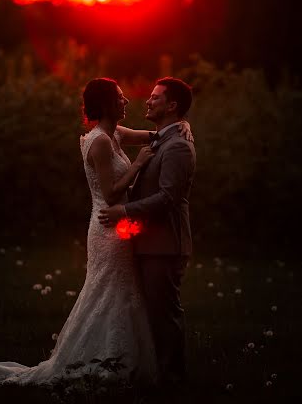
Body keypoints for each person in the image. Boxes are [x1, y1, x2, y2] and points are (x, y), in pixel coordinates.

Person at [0, 77, 192, 389]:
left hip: (118, 226)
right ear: (107, 104)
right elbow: (109, 194)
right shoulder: (101, 141)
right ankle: (103, 359)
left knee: (122, 292)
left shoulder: (115, 134)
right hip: (108, 225)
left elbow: (154, 136)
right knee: (109, 291)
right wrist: (137, 166)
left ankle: (122, 358)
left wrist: (182, 125)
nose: (128, 102)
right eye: (120, 98)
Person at [98, 77, 196, 393]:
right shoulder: (162, 139)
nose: (148, 101)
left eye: (155, 97)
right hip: (149, 244)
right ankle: (157, 374)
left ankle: (173, 382)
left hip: (166, 245)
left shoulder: (178, 146)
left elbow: (168, 198)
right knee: (153, 312)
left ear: (172, 106)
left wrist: (123, 212)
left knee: (165, 313)